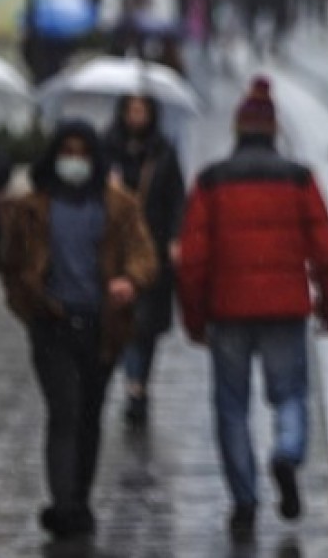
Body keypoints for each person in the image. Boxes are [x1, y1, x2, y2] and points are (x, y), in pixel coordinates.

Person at [177, 77, 328, 542]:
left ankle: (244, 500)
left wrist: (193, 318)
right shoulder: (298, 178)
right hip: (286, 307)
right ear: (272, 131)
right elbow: (327, 251)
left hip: (227, 312)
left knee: (231, 406)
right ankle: (287, 453)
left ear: (237, 131)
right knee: (290, 393)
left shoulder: (211, 181)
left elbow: (192, 261)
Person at [0, 121, 157, 540]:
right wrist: (29, 306)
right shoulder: (34, 207)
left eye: (81, 152)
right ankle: (64, 503)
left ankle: (79, 498)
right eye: (66, 151)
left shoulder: (118, 206)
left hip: (101, 327)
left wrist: (130, 281)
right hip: (52, 326)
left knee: (88, 415)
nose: (74, 160)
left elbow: (143, 254)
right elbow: (12, 265)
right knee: (64, 412)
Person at [103, 95, 186, 428]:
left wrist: (175, 238)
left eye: (143, 111)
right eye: (131, 110)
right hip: (114, 248)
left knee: (146, 323)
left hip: (152, 248)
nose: (136, 116)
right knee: (123, 319)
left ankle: (138, 383)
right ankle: (133, 383)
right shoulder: (106, 149)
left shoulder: (163, 151)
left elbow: (176, 197)